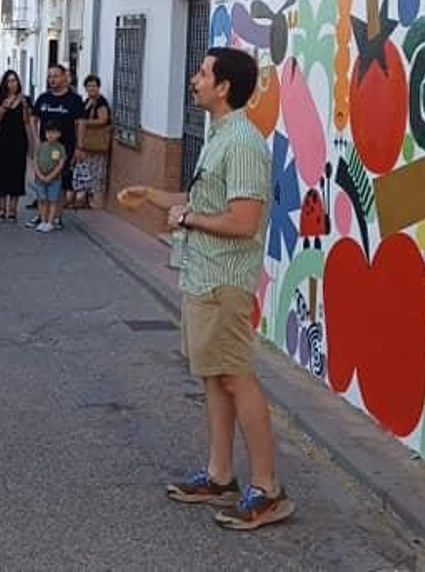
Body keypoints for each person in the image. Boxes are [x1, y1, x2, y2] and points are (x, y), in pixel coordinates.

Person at [119, 47, 290, 531]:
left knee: (236, 377)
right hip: (203, 277)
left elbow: (243, 220)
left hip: (224, 282)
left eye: (202, 73)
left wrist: (188, 218)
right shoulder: (218, 134)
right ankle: (220, 476)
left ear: (224, 87)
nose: (194, 79)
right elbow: (201, 200)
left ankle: (268, 490)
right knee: (214, 377)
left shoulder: (242, 142)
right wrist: (153, 195)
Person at [32, 64, 85, 224]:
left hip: (65, 147)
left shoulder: (74, 100)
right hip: (45, 149)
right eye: (50, 76)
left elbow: (81, 123)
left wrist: (79, 146)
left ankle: (56, 217)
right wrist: (36, 140)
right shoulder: (43, 98)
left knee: (60, 182)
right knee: (41, 181)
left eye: (55, 76)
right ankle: (42, 215)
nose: (52, 79)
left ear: (64, 77)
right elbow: (33, 118)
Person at [0, 70, 30, 222]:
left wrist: (24, 107)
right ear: (4, 84)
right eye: (9, 81)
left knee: (16, 173)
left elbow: (27, 121)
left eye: (14, 80)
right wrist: (4, 107)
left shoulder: (25, 99)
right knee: (0, 172)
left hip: (18, 140)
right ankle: (1, 209)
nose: (12, 84)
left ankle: (13, 210)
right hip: (1, 140)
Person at [73, 74, 114, 209]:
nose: (91, 88)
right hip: (86, 144)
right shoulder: (87, 101)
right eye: (89, 86)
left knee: (97, 172)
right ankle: (85, 199)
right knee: (86, 171)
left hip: (96, 143)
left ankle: (96, 203)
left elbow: (103, 120)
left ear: (98, 87)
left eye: (94, 85)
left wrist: (85, 122)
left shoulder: (101, 102)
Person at [30, 119, 68, 233]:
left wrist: (51, 176)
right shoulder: (41, 146)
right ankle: (43, 220)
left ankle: (50, 222)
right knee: (42, 200)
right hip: (40, 179)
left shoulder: (60, 148)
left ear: (59, 134)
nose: (50, 135)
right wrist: (39, 175)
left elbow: (61, 164)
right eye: (48, 132)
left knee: (53, 200)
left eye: (53, 132)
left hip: (54, 179)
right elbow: (35, 160)